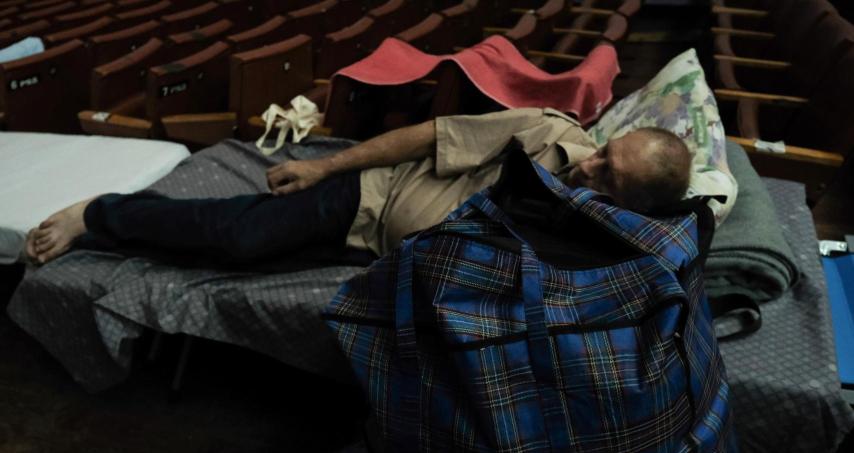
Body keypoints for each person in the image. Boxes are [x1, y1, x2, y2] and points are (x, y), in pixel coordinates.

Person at [26, 108, 692, 265]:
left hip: (380, 254)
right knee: (239, 237)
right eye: (605, 153)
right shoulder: (549, 132)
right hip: (369, 198)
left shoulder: (601, 240)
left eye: (611, 180)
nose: (589, 168)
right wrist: (323, 167)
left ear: (633, 211)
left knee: (250, 258)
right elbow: (428, 137)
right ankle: (100, 213)